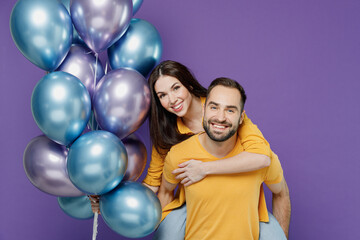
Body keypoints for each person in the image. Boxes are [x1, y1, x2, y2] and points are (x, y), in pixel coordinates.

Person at [141, 60, 287, 239]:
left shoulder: (222, 108)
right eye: (162, 95)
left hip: (242, 206)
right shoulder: (168, 135)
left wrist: (204, 169)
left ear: (189, 85)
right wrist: (112, 198)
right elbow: (153, 184)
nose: (172, 100)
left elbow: (263, 158)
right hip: (192, 203)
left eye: (176, 88)